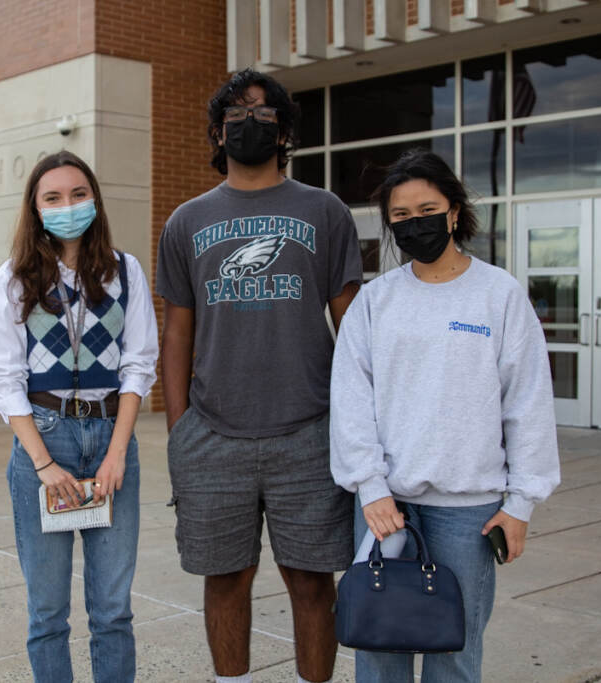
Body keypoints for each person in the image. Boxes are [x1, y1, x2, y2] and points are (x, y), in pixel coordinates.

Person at [156, 68, 362, 683]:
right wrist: (180, 432)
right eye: (237, 114)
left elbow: (353, 330)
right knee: (226, 578)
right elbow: (176, 335)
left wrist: (358, 423)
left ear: (284, 130)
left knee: (310, 581)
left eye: (264, 112)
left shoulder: (324, 211)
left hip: (310, 432)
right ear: (219, 133)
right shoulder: (186, 222)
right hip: (214, 434)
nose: (251, 122)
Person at [330, 149, 561, 682]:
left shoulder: (498, 295)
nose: (417, 224)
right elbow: (350, 400)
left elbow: (527, 403)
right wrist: (370, 487)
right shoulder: (375, 300)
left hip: (469, 512)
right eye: (401, 216)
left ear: (455, 211)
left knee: (455, 654)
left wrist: (522, 502)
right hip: (388, 507)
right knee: (379, 647)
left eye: (428, 209)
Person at [0, 150, 158, 683]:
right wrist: (43, 465)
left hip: (110, 437)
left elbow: (138, 365)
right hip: (45, 437)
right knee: (48, 613)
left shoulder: (125, 271)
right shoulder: (15, 278)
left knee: (112, 611)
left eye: (78, 194)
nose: (68, 206)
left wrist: (117, 452)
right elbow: (4, 378)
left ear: (95, 199)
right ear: (35, 209)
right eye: (52, 198)